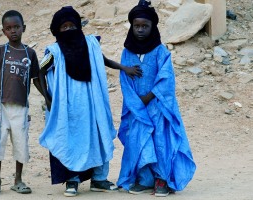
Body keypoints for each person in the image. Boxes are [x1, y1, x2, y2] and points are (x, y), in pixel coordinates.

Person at [38, 6, 142, 197]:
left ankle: (99, 179)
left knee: (98, 137)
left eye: (72, 26)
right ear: (57, 30)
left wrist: (124, 68)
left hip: (92, 104)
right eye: (64, 27)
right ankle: (72, 181)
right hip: (68, 108)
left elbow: (103, 60)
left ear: (78, 26)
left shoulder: (90, 44)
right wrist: (48, 98)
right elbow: (39, 72)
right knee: (70, 140)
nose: (69, 30)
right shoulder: (54, 51)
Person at [116, 0, 196, 197]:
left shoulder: (161, 52)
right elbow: (125, 81)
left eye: (145, 26)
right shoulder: (127, 53)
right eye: (137, 26)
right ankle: (144, 180)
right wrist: (137, 102)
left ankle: (162, 179)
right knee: (138, 141)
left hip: (158, 107)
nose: (140, 30)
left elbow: (166, 79)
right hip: (136, 108)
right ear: (132, 26)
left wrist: (148, 97)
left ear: (153, 27)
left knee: (160, 141)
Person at [0, 10, 42, 195]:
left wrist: (49, 98)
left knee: (21, 144)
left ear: (23, 28)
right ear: (3, 32)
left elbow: (36, 79)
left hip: (21, 108)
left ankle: (18, 180)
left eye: (16, 27)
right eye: (8, 28)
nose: (13, 31)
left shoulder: (30, 53)